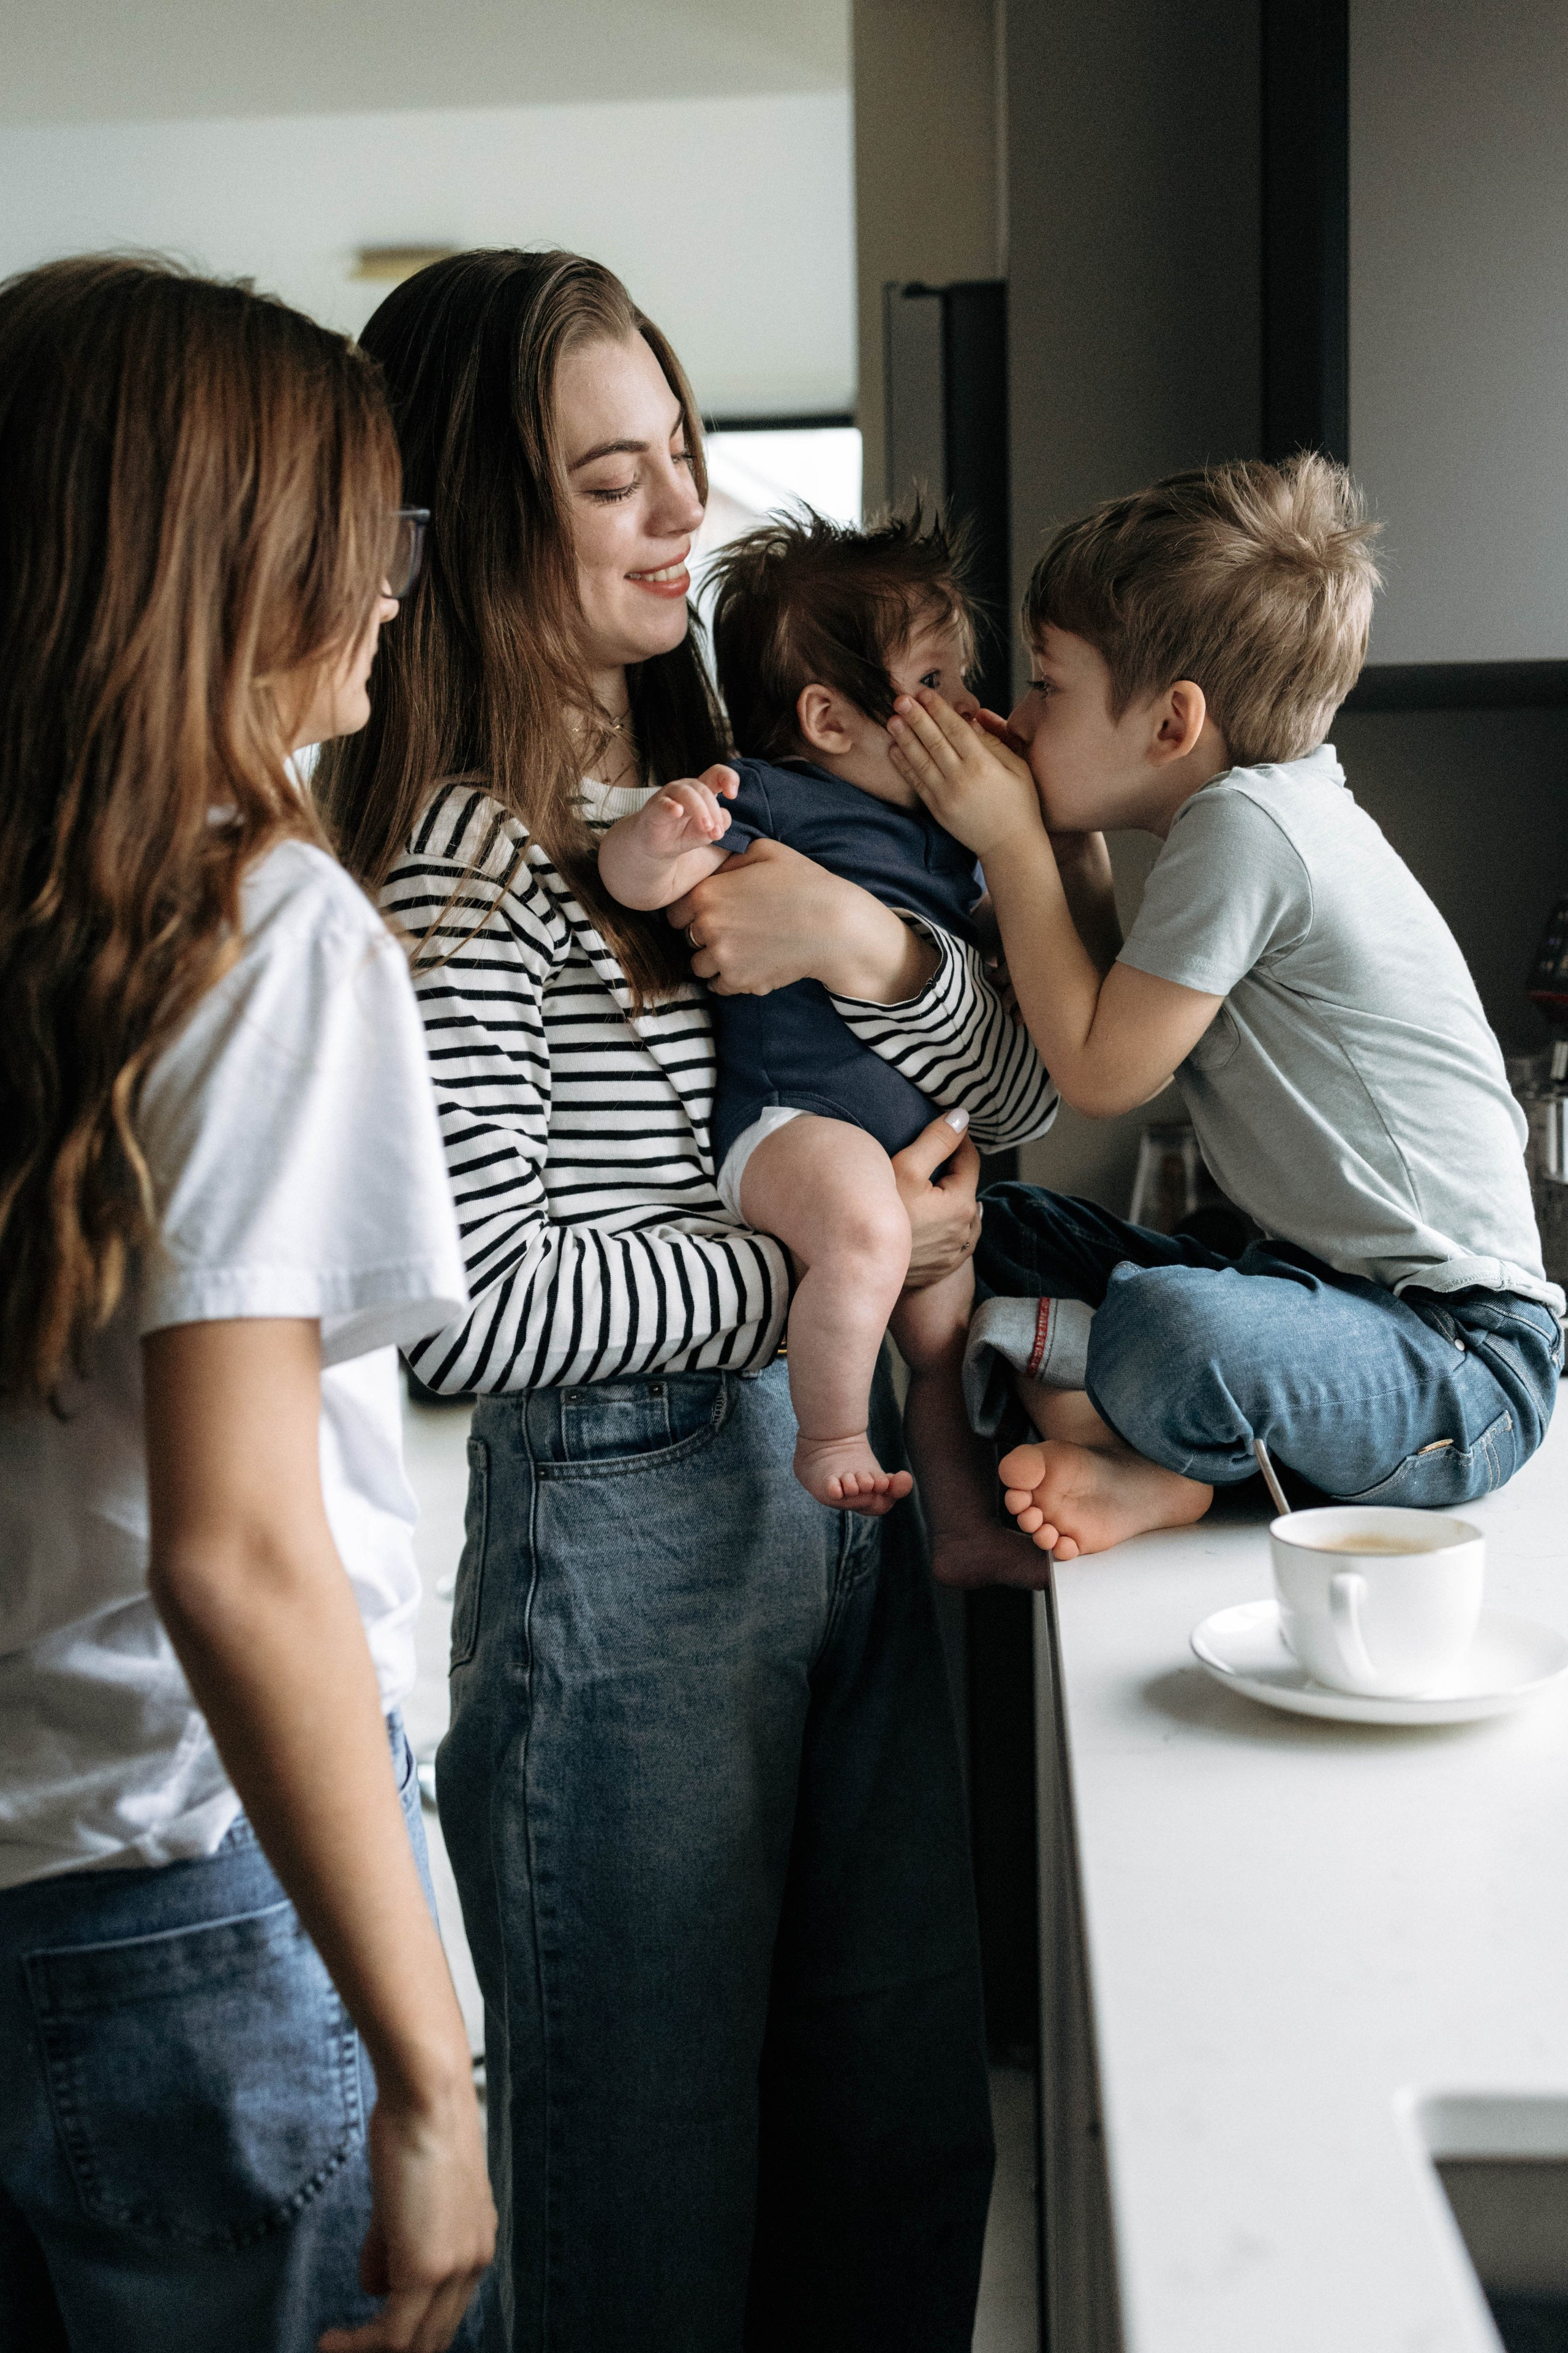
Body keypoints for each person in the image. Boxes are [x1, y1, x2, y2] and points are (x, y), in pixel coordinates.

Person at [317, 249, 1022, 2351]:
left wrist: (881, 963)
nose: (677, 518)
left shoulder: (735, 812)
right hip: (619, 1558)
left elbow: (1033, 1095)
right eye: (610, 481)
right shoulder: (461, 856)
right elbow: (467, 1308)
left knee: (897, 2145)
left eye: (684, 465)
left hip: (839, 1505)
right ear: (475, 523)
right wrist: (825, 1251)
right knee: (645, 2209)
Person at [0, 256, 494, 2353]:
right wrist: (426, 2072)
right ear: (228, 566)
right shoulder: (263, 922)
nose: (393, 589)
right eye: (359, 538)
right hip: (199, 1905)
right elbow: (241, 1554)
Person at [882, 452, 1563, 1560]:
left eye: (1049, 684)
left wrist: (1010, 843)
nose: (1019, 710)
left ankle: (1170, 1471)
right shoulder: (1262, 811)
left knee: (1167, 1325)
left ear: (1171, 722)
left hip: (1466, 1365)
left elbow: (1102, 1073)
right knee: (998, 1231)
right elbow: (1113, 1010)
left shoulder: (1250, 829)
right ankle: (1119, 1433)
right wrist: (1063, 846)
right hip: (1318, 1301)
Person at [595, 508, 1059, 1575]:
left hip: (910, 1152)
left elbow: (1017, 1024)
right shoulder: (778, 800)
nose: (970, 707)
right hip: (793, 1124)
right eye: (936, 682)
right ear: (830, 717)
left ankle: (964, 1530)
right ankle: (832, 1438)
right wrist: (659, 841)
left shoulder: (950, 834)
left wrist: (1039, 862)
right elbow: (648, 882)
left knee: (944, 1345)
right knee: (863, 1240)